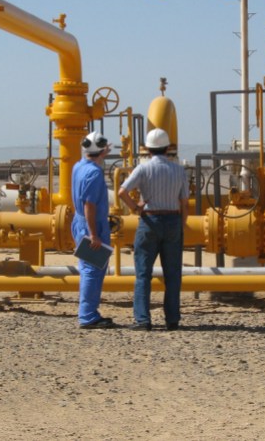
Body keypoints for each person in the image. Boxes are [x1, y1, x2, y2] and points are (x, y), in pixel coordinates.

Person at [118, 128, 189, 331]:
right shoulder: (179, 170)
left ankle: (143, 320)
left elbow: (122, 191)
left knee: (143, 273)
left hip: (149, 221)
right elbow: (185, 203)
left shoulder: (143, 169)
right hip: (173, 219)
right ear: (168, 148)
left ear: (148, 149)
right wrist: (181, 224)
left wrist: (135, 208)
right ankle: (172, 320)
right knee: (173, 274)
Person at [71, 131, 115, 329]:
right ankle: (88, 316)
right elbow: (90, 204)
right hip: (92, 225)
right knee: (92, 271)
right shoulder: (95, 173)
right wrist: (94, 235)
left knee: (88, 268)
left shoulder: (78, 166)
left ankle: (88, 312)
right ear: (101, 150)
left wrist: (101, 154)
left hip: (79, 222)